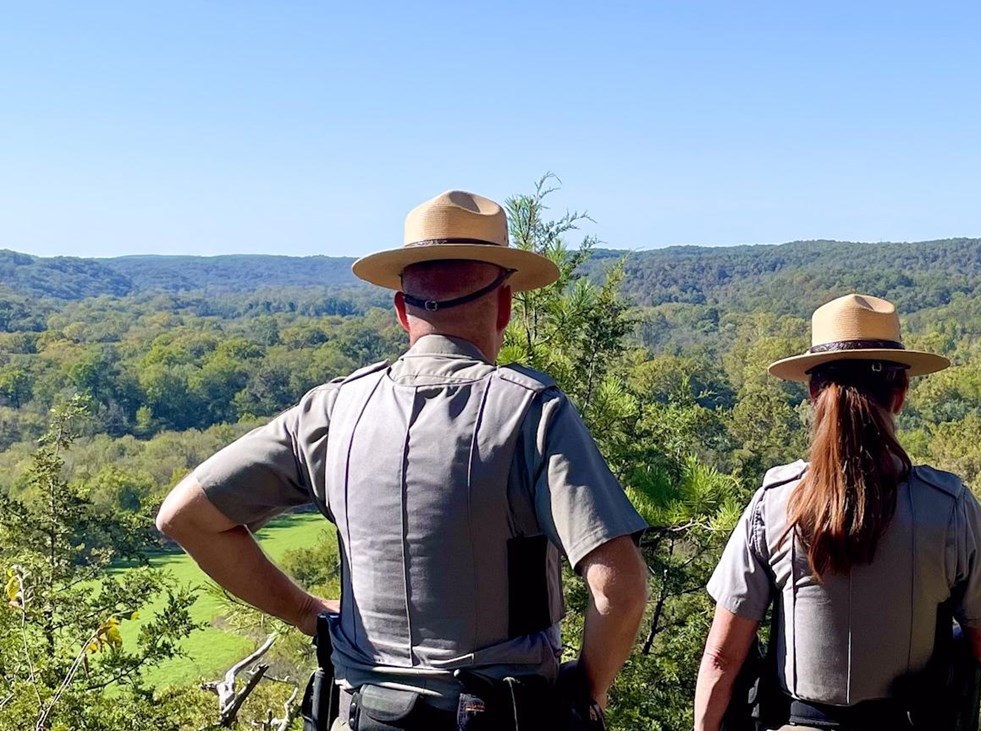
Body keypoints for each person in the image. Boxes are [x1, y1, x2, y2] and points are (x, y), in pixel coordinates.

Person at [156, 190, 649, 730]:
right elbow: (618, 587)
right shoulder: (530, 411)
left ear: (401, 310)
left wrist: (307, 613)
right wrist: (586, 692)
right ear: (505, 305)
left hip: (359, 715)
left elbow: (185, 516)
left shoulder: (331, 411)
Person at [693, 294, 981, 731]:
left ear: (813, 393)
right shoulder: (949, 507)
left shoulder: (774, 503)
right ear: (900, 393)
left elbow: (722, 657)